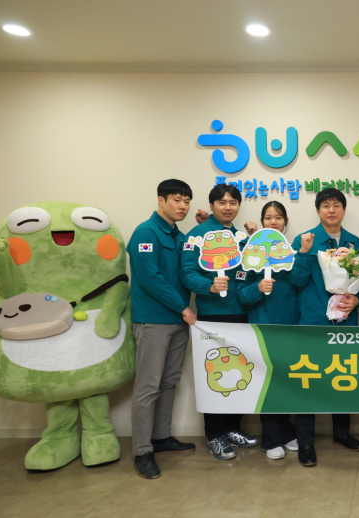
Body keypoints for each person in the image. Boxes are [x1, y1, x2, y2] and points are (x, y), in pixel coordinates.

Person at [289, 187, 359, 467]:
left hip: (345, 322)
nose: (331, 210)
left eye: (336, 205)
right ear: (318, 211)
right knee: (308, 380)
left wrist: (358, 299)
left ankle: (341, 433)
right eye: (325, 205)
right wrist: (303, 252)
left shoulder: (355, 242)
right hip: (313, 320)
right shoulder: (305, 239)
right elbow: (297, 281)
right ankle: (305, 442)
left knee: (343, 378)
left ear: (344, 210)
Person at [181, 184, 259, 461]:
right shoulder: (196, 235)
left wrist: (254, 238)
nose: (228, 207)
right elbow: (187, 273)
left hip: (242, 313)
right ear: (212, 205)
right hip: (212, 316)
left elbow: (252, 269)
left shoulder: (241, 237)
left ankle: (232, 429)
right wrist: (209, 287)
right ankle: (214, 435)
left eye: (233, 202)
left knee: (239, 374)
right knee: (214, 376)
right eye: (222, 202)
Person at [127, 179, 197, 479]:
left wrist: (200, 227)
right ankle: (142, 451)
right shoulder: (146, 232)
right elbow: (150, 278)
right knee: (148, 387)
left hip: (178, 322)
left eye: (186, 201)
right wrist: (183, 307)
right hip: (154, 320)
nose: (183, 206)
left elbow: (191, 263)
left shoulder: (180, 236)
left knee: (169, 382)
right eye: (177, 200)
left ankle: (161, 438)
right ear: (161, 200)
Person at [237, 201, 302, 460]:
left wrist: (299, 256)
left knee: (287, 381)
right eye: (268, 217)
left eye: (278, 217)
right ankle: (271, 439)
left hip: (290, 326)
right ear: (262, 221)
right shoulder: (250, 252)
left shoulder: (292, 252)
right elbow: (241, 294)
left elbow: (301, 282)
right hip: (262, 326)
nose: (273, 222)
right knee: (267, 382)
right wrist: (257, 288)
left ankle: (286, 432)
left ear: (286, 221)